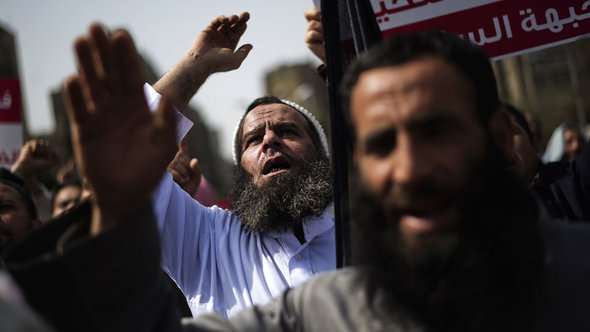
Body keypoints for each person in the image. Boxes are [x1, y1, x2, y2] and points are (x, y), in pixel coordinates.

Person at [69, 13, 335, 318]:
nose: (270, 141)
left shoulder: (373, 227)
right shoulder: (207, 241)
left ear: (322, 155)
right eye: (253, 139)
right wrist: (197, 63)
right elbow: (127, 162)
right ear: (241, 171)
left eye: (287, 132)